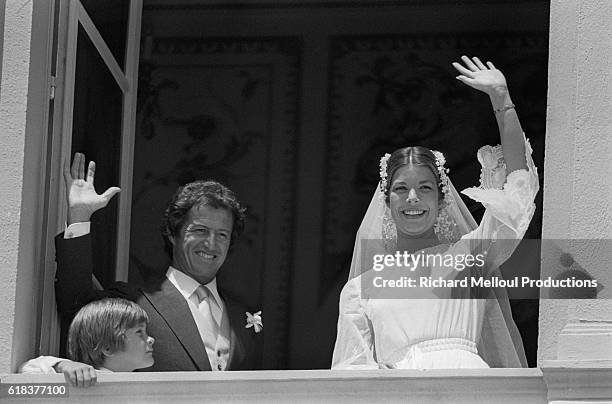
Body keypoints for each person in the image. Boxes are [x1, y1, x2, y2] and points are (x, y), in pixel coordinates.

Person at [331, 56, 539, 369]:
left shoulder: (470, 256)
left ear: (442, 202)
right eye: (401, 189)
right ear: (387, 201)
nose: (412, 198)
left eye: (425, 188)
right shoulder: (359, 290)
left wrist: (502, 101)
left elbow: (517, 191)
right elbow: (350, 369)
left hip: (470, 388)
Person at [54, 155, 263, 371]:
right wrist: (79, 217)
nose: (211, 244)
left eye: (222, 235)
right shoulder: (136, 300)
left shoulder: (241, 314)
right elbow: (75, 305)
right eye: (200, 231)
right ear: (173, 234)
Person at [20, 298, 154, 387]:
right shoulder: (81, 382)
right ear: (108, 347)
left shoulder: (142, 386)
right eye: (139, 332)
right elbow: (27, 371)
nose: (151, 339)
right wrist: (64, 365)